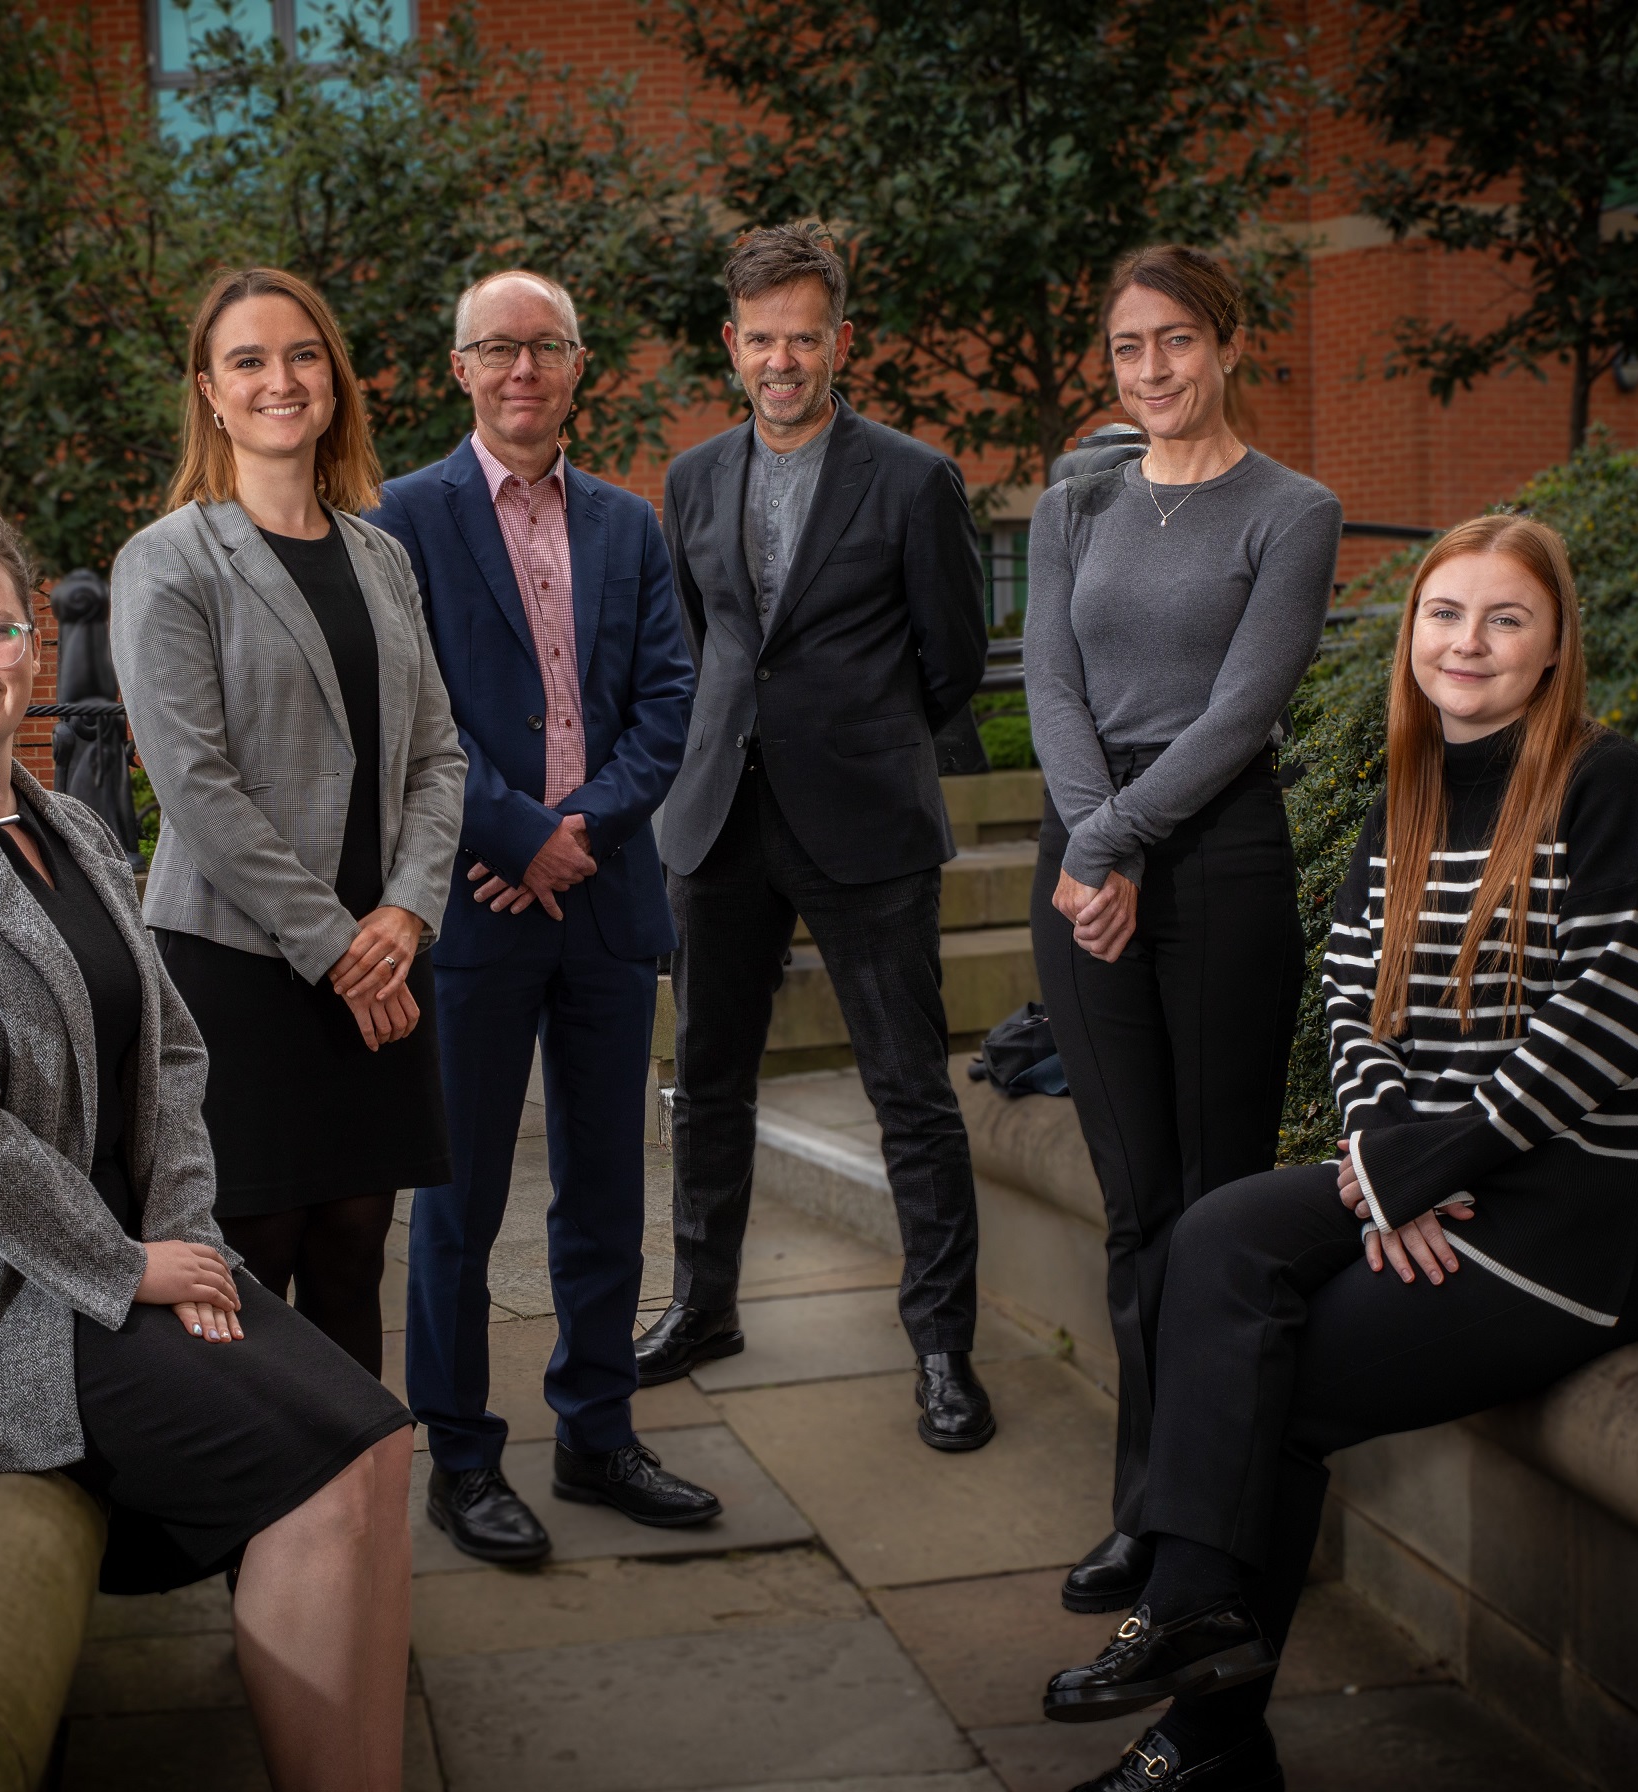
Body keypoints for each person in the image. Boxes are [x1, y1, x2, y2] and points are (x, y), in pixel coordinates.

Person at [1038, 514, 1638, 1791]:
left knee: (1270, 1385)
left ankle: (1209, 1739)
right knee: (1216, 1236)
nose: (1468, 642)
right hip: (1435, 1172)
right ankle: (1195, 1615)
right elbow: (1354, 1001)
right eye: (1443, 614)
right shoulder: (1406, 797)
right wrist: (1386, 1151)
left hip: (1585, 1211)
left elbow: (1608, 1021)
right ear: (1408, 639)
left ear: (1556, 644)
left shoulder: (1605, 783)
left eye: (1505, 617)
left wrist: (1417, 1166)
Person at [0, 502, 415, 1792]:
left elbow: (171, 1054)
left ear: (36, 647)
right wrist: (128, 1269)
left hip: (130, 1236)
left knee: (384, 1443)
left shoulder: (67, 826)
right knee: (321, 1481)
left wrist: (181, 1228)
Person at [369, 269, 712, 1563]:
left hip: (606, 899)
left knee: (606, 1185)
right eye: (496, 348)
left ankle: (598, 1432)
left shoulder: (630, 523)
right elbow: (416, 711)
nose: (523, 369)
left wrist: (579, 839)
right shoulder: (401, 519)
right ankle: (460, 1457)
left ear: (579, 366)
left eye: (547, 348)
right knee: (455, 1201)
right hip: (469, 901)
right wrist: (517, 836)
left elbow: (670, 698)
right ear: (458, 367)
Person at [1021, 245, 1342, 1613]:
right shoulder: (1074, 503)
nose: (1152, 371)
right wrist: (1094, 846)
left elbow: (1239, 714)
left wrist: (1115, 845)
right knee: (1137, 1206)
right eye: (1129, 348)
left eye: (1176, 343)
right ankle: (1148, 1513)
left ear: (1227, 344)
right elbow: (1049, 681)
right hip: (1088, 861)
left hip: (1215, 866)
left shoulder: (1295, 509)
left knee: (1218, 1213)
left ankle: (1230, 1526)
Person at [639, 221, 996, 1451]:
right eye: (761, 340)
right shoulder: (690, 480)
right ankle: (703, 1304)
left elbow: (952, 661)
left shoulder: (913, 477)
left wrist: (858, 733)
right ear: (729, 346)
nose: (782, 360)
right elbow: (705, 639)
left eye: (805, 338)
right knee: (708, 1086)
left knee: (910, 1094)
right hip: (719, 820)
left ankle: (944, 1350)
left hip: (866, 820)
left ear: (842, 341)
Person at [110, 267, 467, 1380]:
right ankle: (269, 1539)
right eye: (249, 360)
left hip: (384, 964)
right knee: (252, 1260)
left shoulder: (382, 556)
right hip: (242, 969)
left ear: (335, 377)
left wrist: (404, 912)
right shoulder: (167, 561)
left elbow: (438, 757)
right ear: (209, 392)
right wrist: (343, 952)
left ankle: (358, 1525)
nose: (281, 379)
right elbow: (196, 789)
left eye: (302, 354)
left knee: (359, 1251)